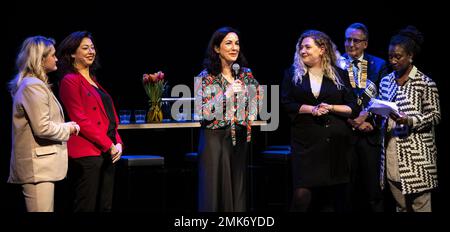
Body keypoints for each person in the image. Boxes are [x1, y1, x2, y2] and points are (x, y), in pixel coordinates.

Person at [281, 30, 358, 212]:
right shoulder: (292, 74)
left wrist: (331, 107)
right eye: (301, 47)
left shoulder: (339, 74)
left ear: (322, 49)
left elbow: (353, 108)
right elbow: (286, 104)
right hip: (305, 143)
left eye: (308, 47)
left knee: (331, 199)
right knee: (301, 195)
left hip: (335, 144)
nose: (303, 51)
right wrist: (312, 109)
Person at [8, 36, 79, 212]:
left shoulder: (33, 84)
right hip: (37, 168)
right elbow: (43, 127)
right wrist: (68, 128)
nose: (56, 59)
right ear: (40, 59)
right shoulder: (32, 85)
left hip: (41, 167)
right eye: (53, 55)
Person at [195, 27, 261, 212]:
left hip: (238, 137)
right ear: (217, 48)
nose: (234, 48)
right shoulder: (206, 77)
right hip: (213, 138)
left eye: (237, 43)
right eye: (228, 43)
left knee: (237, 189)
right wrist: (227, 94)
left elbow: (257, 102)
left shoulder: (245, 74)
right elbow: (203, 112)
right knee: (213, 189)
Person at [57, 31, 124, 212]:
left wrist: (118, 142)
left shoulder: (94, 81)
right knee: (86, 206)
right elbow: (81, 119)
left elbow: (109, 118)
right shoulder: (70, 81)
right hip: (88, 153)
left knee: (106, 205)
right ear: (72, 53)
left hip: (108, 151)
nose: (91, 51)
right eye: (85, 48)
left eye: (92, 47)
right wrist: (108, 144)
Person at [378, 26, 440, 212]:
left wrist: (410, 120)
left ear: (410, 56)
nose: (393, 60)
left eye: (398, 56)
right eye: (390, 56)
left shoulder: (425, 82)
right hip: (392, 149)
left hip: (417, 156)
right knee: (401, 206)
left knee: (421, 206)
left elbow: (435, 116)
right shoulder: (386, 81)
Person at [340, 23, 389, 212]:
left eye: (356, 40)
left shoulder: (379, 64)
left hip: (370, 134)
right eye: (347, 39)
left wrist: (366, 118)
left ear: (366, 43)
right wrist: (352, 119)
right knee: (345, 192)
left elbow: (384, 96)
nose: (351, 44)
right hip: (345, 134)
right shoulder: (337, 64)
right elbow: (335, 96)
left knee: (373, 193)